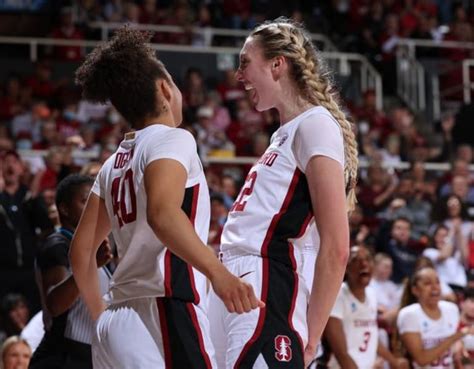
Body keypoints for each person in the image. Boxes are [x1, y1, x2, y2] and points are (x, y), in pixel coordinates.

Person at [70, 27, 263, 369]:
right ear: (164, 88)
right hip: (163, 308)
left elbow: (81, 251)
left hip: (116, 321)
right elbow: (162, 214)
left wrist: (101, 315)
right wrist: (218, 273)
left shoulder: (112, 163)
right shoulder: (173, 139)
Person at [208, 17, 357, 368]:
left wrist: (313, 338)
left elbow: (336, 247)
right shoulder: (284, 134)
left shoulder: (316, 124)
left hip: (266, 282)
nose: (239, 75)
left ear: (278, 64)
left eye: (245, 62)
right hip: (236, 279)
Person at [29, 174, 112, 369]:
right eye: (85, 201)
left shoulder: (90, 246)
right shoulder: (57, 245)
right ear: (64, 209)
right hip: (63, 356)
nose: (94, 207)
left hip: (88, 354)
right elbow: (55, 304)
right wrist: (91, 263)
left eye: (97, 201)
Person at [324, 246, 408, 369]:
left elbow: (371, 335)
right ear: (346, 267)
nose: (364, 264)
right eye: (355, 260)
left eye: (368, 259)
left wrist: (394, 361)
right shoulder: (336, 295)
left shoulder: (371, 293)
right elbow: (341, 353)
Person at [396, 266, 473, 368]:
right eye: (427, 283)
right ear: (415, 290)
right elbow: (422, 360)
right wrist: (456, 336)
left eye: (437, 282)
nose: (435, 287)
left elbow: (454, 350)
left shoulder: (451, 309)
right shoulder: (409, 315)